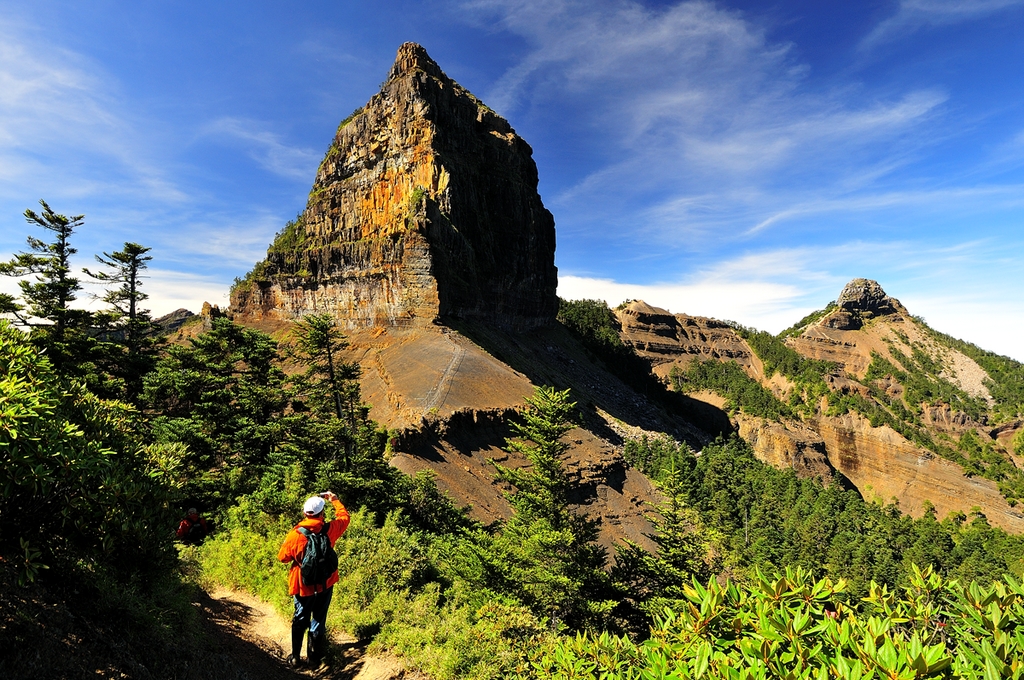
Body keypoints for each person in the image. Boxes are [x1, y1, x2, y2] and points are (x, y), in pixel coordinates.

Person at [277, 491, 349, 667]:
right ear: (322, 514)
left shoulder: (295, 535)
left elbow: (282, 558)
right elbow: (344, 517)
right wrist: (335, 500)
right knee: (318, 619)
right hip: (326, 582)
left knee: (300, 617)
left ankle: (294, 657)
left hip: (303, 585)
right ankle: (313, 660)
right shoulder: (330, 530)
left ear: (305, 513)